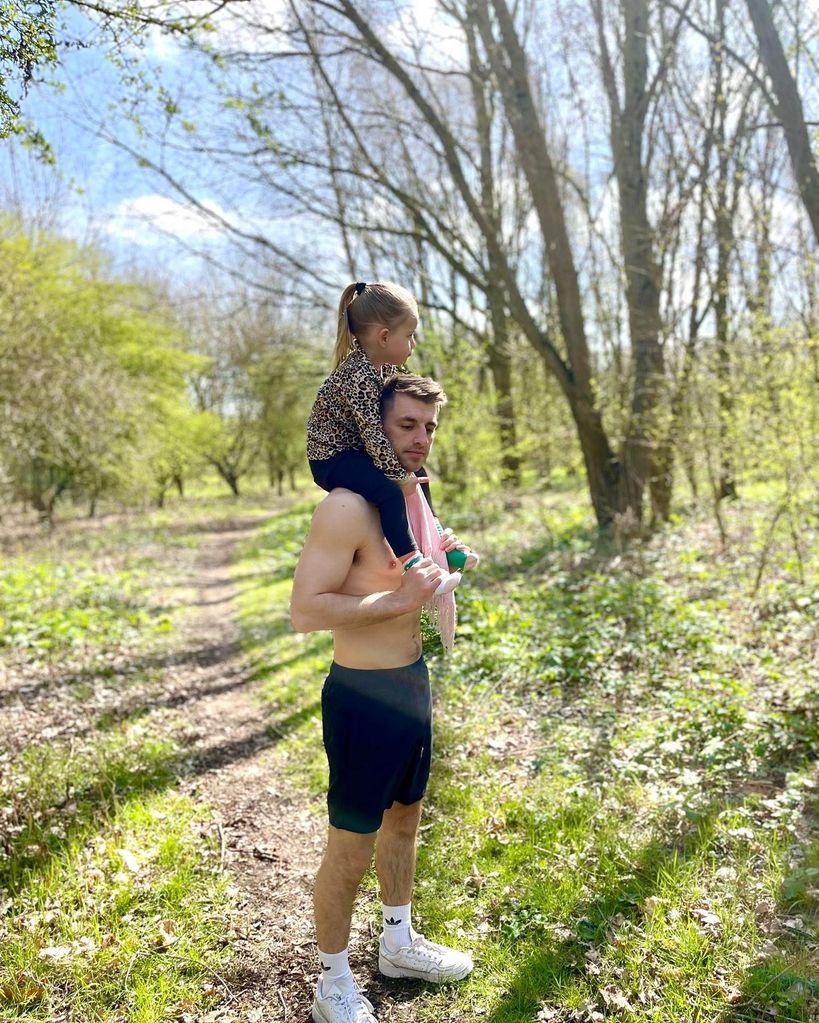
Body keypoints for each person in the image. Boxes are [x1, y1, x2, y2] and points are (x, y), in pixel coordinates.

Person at [291, 374, 476, 1023]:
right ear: (374, 426)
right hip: (361, 697)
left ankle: (396, 942)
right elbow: (304, 609)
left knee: (404, 820)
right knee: (350, 845)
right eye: (406, 425)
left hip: (411, 683)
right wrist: (396, 600)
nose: (421, 440)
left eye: (429, 427)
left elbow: (417, 571)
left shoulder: (413, 498)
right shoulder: (345, 506)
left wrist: (446, 560)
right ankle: (331, 982)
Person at [306, 280, 462, 596]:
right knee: (390, 492)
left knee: (418, 473)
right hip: (332, 458)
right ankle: (416, 565)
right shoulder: (358, 375)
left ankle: (439, 538)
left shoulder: (377, 369)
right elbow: (373, 433)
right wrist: (394, 476)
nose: (413, 344)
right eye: (410, 335)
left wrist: (406, 472)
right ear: (384, 336)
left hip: (353, 449)